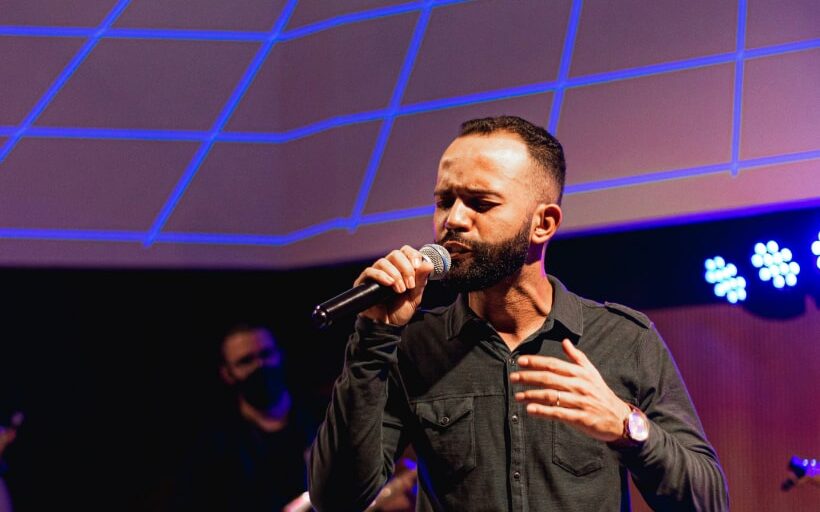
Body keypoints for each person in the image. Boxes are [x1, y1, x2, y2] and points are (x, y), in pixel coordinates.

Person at [308, 115, 729, 510]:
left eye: (480, 203)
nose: (453, 219)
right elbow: (336, 499)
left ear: (543, 224)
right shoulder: (414, 345)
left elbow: (708, 501)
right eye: (444, 201)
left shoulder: (623, 339)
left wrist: (626, 426)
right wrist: (373, 338)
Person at [172, 324, 315, 511]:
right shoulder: (214, 449)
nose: (260, 365)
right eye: (246, 361)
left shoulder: (325, 416)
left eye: (266, 354)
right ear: (227, 373)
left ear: (281, 354)